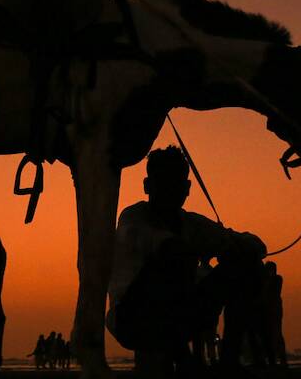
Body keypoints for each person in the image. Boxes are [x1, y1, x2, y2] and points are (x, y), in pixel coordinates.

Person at [107, 146, 266, 377]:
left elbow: (249, 243)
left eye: (176, 184)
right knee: (173, 259)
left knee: (247, 264)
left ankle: (229, 361)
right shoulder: (133, 217)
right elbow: (157, 242)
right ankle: (185, 360)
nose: (171, 191)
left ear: (187, 188)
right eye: (164, 183)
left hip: (180, 315)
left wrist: (237, 250)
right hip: (133, 319)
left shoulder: (192, 224)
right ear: (148, 186)